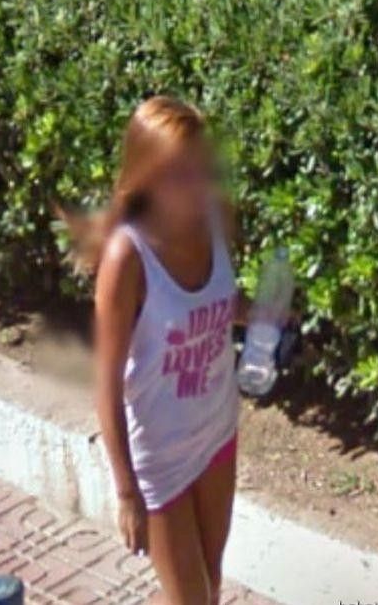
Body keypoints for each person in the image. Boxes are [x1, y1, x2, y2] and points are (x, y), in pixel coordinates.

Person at [63, 96, 247, 605]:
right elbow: (104, 384)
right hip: (160, 456)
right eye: (179, 173)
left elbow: (216, 304)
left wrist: (268, 313)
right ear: (147, 177)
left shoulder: (213, 223)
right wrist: (126, 491)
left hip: (217, 431)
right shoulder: (127, 257)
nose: (197, 183)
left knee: (209, 585)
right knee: (192, 598)